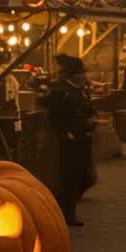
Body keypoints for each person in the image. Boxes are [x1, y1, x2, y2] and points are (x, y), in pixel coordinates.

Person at [45, 55, 95, 227]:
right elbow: (55, 116)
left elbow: (86, 110)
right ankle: (66, 213)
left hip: (81, 137)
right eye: (82, 73)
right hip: (69, 139)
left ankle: (67, 210)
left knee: (78, 174)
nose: (85, 76)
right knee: (68, 177)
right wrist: (64, 132)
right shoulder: (61, 91)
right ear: (75, 75)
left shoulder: (79, 90)